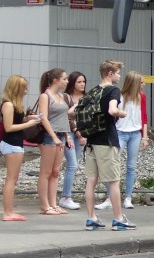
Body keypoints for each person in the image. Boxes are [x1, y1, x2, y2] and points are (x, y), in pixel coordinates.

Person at [83, 59, 136, 231]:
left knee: (91, 181)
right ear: (110, 74)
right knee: (114, 181)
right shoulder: (113, 90)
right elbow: (112, 110)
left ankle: (91, 218)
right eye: (118, 73)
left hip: (91, 142)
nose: (119, 76)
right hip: (107, 141)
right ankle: (118, 219)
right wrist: (121, 113)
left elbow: (73, 111)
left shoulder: (93, 91)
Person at [2, 74, 45, 222]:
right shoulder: (8, 104)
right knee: (11, 180)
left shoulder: (15, 104)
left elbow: (16, 120)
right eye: (24, 88)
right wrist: (29, 124)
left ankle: (9, 211)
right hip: (11, 144)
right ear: (16, 88)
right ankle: (8, 213)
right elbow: (9, 127)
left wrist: (29, 118)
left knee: (13, 179)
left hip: (16, 144)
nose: (26, 90)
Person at [34, 68, 70, 215]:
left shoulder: (62, 96)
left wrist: (66, 136)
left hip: (61, 135)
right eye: (65, 79)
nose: (67, 81)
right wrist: (54, 137)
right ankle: (45, 205)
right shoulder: (45, 96)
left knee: (55, 172)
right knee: (46, 171)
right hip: (50, 136)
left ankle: (54, 204)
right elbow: (43, 117)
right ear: (56, 80)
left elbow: (64, 118)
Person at [116, 71, 148, 210]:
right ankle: (110, 197)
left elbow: (144, 117)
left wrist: (145, 137)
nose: (143, 85)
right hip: (120, 132)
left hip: (135, 134)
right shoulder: (119, 96)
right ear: (134, 83)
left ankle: (128, 197)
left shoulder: (142, 97)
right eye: (141, 82)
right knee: (113, 164)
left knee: (131, 166)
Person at [58, 70, 87, 210]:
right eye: (79, 82)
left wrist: (84, 134)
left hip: (81, 135)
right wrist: (78, 132)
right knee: (72, 164)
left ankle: (65, 196)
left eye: (84, 82)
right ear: (73, 83)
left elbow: (88, 118)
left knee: (72, 165)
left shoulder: (86, 98)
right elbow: (65, 118)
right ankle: (66, 196)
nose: (82, 84)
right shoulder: (66, 97)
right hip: (68, 134)